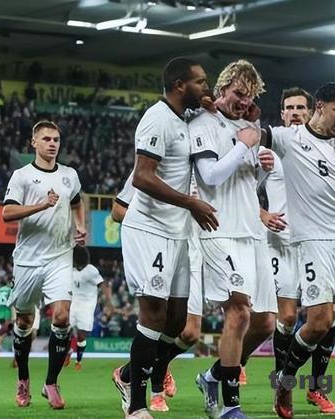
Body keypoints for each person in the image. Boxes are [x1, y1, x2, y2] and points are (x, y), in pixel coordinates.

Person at [248, 82, 335, 419]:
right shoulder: (287, 138)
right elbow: (251, 137)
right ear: (320, 107)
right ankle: (285, 381)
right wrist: (239, 122)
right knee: (319, 322)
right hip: (312, 241)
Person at [112, 57, 217, 419]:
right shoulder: (157, 118)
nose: (206, 87)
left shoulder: (184, 118)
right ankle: (136, 405)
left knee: (176, 323)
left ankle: (128, 375)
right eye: (200, 82)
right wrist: (190, 202)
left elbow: (209, 105)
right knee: (154, 315)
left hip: (177, 232)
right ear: (178, 84)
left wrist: (213, 105)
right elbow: (142, 176)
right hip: (149, 229)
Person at [191, 59, 277, 419]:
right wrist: (243, 146)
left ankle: (213, 376)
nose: (244, 102)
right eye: (239, 93)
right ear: (222, 87)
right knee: (239, 312)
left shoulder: (248, 127)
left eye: (250, 96)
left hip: (252, 231)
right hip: (219, 229)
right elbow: (210, 177)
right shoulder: (203, 122)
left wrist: (262, 168)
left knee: (265, 323)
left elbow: (246, 184)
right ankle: (230, 405)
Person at [260, 87, 335, 414]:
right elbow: (240, 189)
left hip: (315, 244)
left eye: (300, 107)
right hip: (280, 243)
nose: (294, 112)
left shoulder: (325, 148)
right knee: (288, 317)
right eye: (289, 107)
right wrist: (261, 214)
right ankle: (285, 385)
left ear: (311, 112)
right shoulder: (268, 150)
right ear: (282, 114)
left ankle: (316, 388)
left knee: (327, 317)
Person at [2, 119, 86, 409]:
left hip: (60, 256)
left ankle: (51, 383)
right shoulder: (22, 176)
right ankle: (23, 378)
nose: (52, 144)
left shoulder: (70, 175)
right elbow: (7, 212)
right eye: (47, 139)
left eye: (56, 140)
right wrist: (42, 205)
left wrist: (80, 226)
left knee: (62, 316)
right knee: (24, 321)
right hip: (28, 259)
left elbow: (77, 202)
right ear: (34, 142)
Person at [68, 245, 111, 370]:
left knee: (81, 335)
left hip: (87, 306)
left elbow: (103, 285)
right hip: (73, 303)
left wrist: (108, 302)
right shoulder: (71, 270)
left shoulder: (91, 270)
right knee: (66, 330)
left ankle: (78, 360)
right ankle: (68, 351)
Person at [0, 278, 14, 357]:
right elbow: (12, 302)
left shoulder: (0, 289)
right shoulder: (11, 290)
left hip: (0, 312)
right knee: (5, 333)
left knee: (1, 332)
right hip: (7, 312)